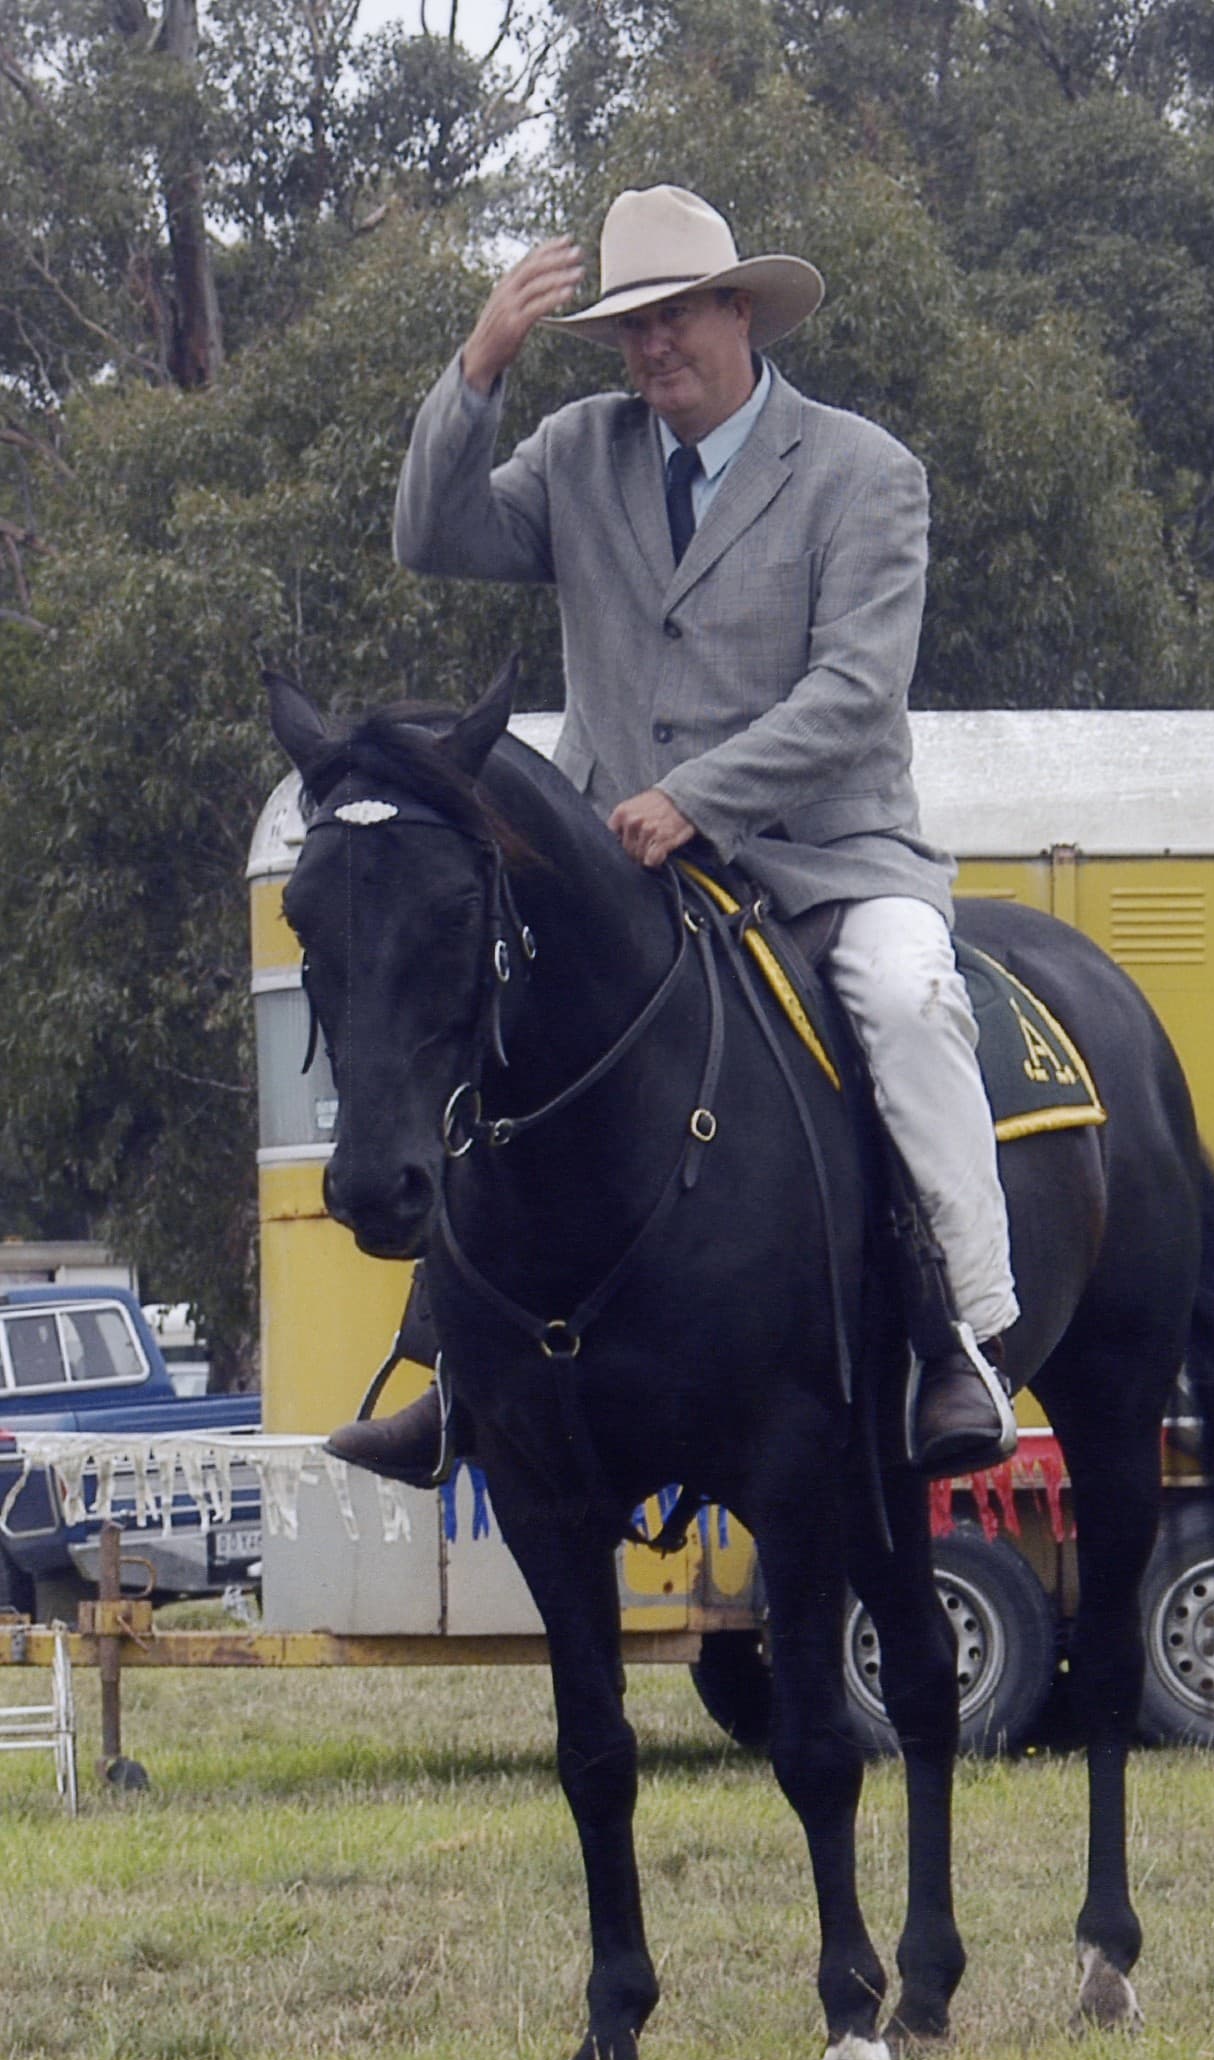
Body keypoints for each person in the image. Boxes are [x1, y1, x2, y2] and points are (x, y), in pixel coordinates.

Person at [330, 183, 1018, 1479]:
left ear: (739, 310)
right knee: (488, 1019)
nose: (652, 351)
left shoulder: (865, 472)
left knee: (909, 994)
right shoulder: (583, 452)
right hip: (614, 868)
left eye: (675, 320)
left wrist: (700, 794)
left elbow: (856, 690)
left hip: (822, 854)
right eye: (628, 330)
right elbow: (433, 536)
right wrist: (479, 364)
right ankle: (451, 1367)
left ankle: (958, 1337)